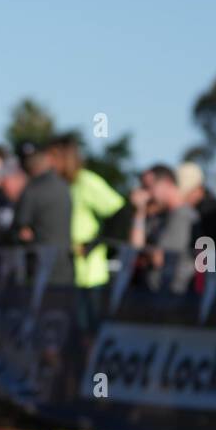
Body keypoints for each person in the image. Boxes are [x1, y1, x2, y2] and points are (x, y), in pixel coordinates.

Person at [50, 134, 125, 332]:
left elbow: (120, 211)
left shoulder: (86, 181)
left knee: (90, 332)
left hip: (91, 276)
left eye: (54, 157)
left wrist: (95, 244)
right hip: (68, 274)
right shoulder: (61, 186)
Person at [13, 139, 74, 285]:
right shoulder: (63, 186)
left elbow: (21, 232)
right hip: (65, 268)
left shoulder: (32, 190)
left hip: (39, 271)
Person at [131, 164, 198, 294]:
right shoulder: (161, 216)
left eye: (149, 187)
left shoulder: (182, 216)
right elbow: (135, 247)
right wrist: (140, 211)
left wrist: (147, 253)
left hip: (173, 296)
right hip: (158, 293)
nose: (146, 194)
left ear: (167, 183)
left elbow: (160, 259)